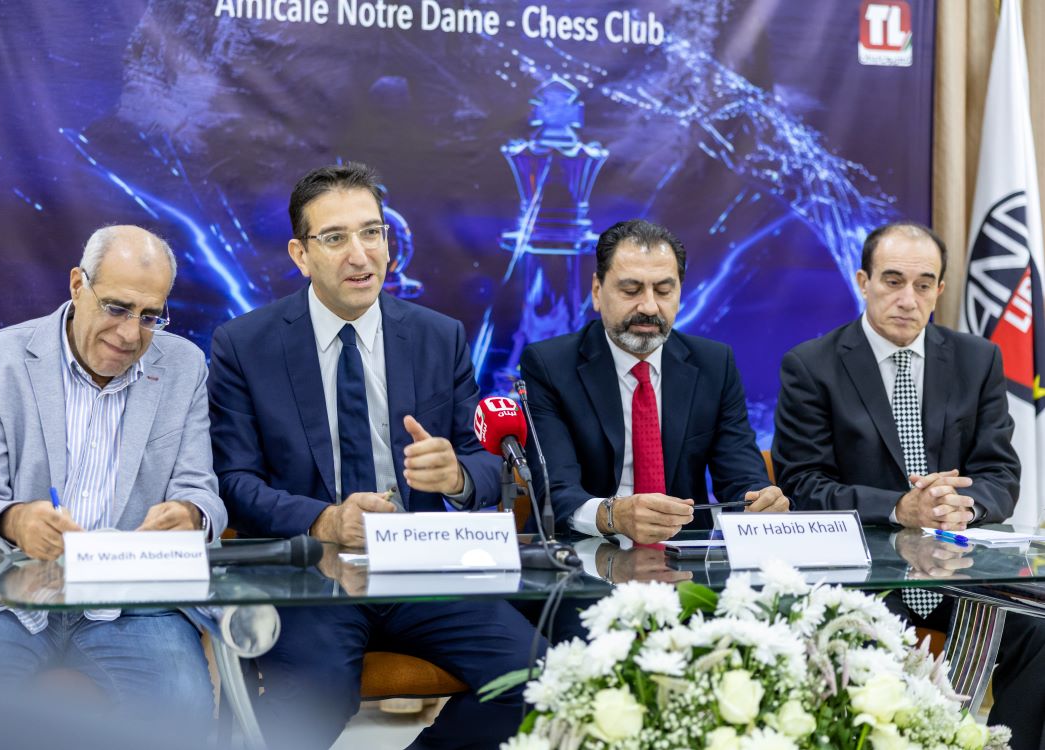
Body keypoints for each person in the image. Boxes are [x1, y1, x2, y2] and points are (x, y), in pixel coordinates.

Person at [207, 162, 542, 749]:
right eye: (335, 238)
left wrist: (458, 477)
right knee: (309, 703)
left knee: (539, 683)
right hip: (311, 578)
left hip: (422, 568)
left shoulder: (439, 336)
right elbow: (233, 481)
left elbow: (488, 462)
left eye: (372, 232)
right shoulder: (246, 345)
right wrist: (325, 520)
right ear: (300, 254)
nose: (360, 255)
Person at [0, 225, 225, 728]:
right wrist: (15, 521)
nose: (131, 334)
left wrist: (191, 515)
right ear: (78, 285)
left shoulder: (184, 367)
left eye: (150, 316)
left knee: (181, 706)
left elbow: (202, 491)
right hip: (3, 593)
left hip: (132, 602)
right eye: (117, 308)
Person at [771, 220, 1043, 749]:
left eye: (923, 285)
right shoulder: (811, 365)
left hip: (963, 575)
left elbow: (1000, 474)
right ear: (863, 281)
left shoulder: (976, 359)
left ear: (940, 290)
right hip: (867, 578)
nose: (907, 299)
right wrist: (901, 507)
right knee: (860, 646)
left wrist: (960, 505)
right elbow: (803, 485)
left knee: (1039, 629)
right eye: (892, 281)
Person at [519, 219, 789, 545]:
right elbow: (555, 490)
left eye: (663, 291)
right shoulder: (549, 366)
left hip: (686, 555)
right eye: (630, 290)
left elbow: (740, 474)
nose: (648, 306)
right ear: (597, 291)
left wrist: (760, 500)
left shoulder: (714, 364)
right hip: (580, 553)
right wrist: (613, 515)